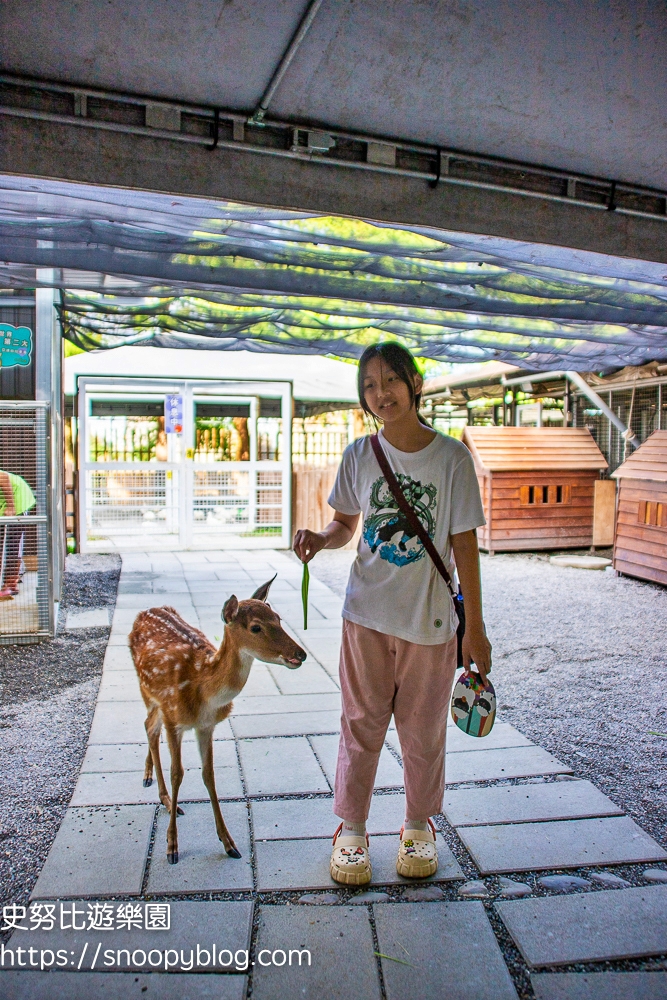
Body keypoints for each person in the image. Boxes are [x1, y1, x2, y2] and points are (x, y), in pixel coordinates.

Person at [293, 343, 492, 884]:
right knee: (360, 725)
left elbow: (465, 546)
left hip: (430, 625)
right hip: (365, 617)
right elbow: (344, 525)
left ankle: (418, 827)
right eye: (370, 386)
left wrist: (475, 626)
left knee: (423, 731)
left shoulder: (451, 459)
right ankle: (351, 831)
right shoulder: (359, 454)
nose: (381, 394)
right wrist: (319, 538)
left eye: (390, 381)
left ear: (416, 382)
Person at [0, 470, 36, 601]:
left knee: (13, 542)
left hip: (17, 497)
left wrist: (11, 506)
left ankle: (11, 584)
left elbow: (3, 478)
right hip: (2, 504)